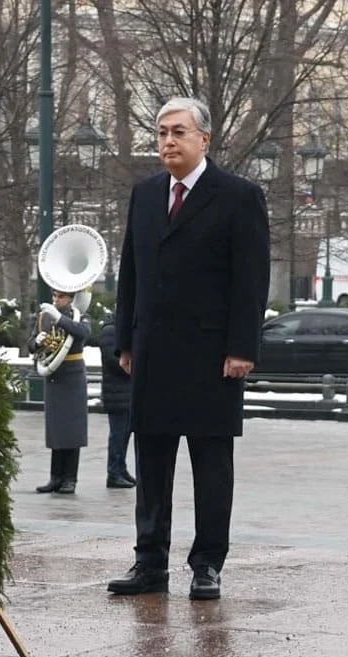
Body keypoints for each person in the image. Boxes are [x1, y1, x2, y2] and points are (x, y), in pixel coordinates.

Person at [108, 96, 270, 601]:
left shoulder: (238, 196)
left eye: (178, 132)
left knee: (210, 467)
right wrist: (125, 340)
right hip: (153, 354)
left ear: (204, 139)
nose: (168, 142)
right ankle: (149, 562)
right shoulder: (146, 193)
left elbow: (251, 279)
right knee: (152, 465)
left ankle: (207, 563)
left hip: (211, 358)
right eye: (161, 133)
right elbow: (129, 272)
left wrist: (242, 347)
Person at [28, 289, 91, 495]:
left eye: (61, 297)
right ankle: (55, 477)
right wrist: (37, 342)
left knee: (72, 429)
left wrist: (59, 318)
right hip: (54, 376)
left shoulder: (79, 315)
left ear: (71, 299)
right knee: (56, 428)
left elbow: (83, 333)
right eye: (54, 296)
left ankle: (70, 479)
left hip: (72, 375)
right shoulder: (43, 317)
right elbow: (30, 344)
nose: (56, 300)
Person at [88, 311, 135, 488]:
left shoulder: (120, 328)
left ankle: (121, 469)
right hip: (116, 393)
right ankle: (114, 473)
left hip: (124, 393)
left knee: (124, 435)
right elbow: (112, 360)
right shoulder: (110, 330)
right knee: (118, 435)